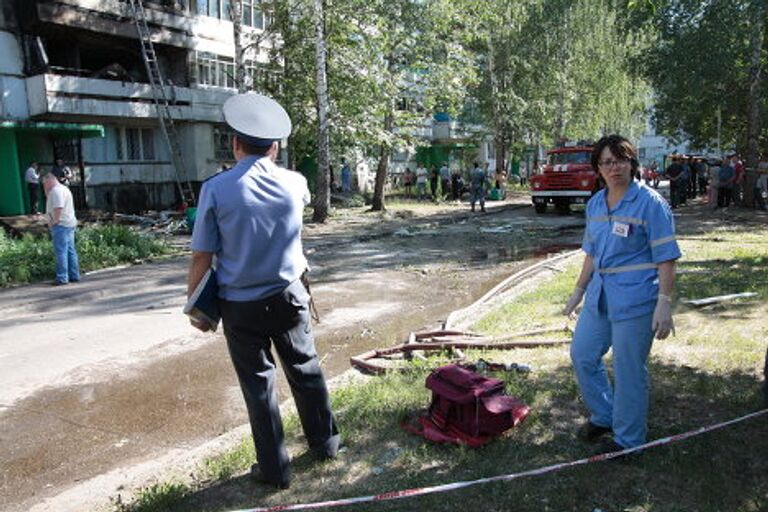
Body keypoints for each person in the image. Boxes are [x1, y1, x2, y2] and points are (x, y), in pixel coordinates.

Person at [187, 93, 339, 490]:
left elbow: (201, 256)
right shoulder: (295, 182)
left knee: (259, 386)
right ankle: (326, 443)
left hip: (240, 306)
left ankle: (274, 469)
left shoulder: (216, 189)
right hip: (289, 296)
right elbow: (300, 204)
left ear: (235, 143)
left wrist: (196, 310)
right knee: (306, 369)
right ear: (274, 146)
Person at [563, 134, 680, 455]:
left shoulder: (650, 203)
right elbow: (591, 253)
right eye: (607, 162)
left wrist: (664, 304)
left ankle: (629, 441)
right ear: (598, 168)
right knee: (583, 354)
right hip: (599, 296)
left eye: (621, 160)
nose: (615, 167)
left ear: (632, 162)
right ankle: (605, 415)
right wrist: (578, 291)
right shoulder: (595, 204)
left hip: (637, 300)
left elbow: (666, 257)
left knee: (628, 370)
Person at [43, 173, 80, 285]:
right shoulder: (64, 189)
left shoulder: (56, 191)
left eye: (44, 184)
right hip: (69, 223)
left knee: (61, 251)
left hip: (61, 224)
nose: (44, 187)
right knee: (70, 250)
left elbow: (58, 207)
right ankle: (74, 275)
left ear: (49, 181)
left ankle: (62, 277)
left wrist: (55, 220)